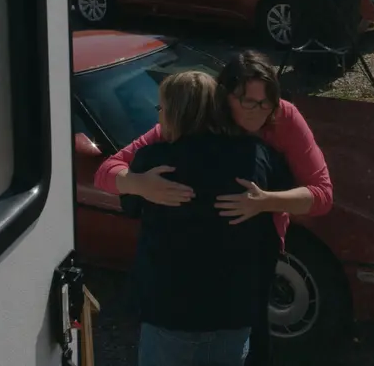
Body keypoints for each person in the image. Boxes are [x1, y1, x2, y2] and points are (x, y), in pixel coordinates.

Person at [94, 49, 334, 365]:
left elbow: (322, 195)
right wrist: (138, 184)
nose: (259, 111)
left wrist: (265, 202)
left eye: (266, 103)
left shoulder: (283, 118)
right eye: (248, 102)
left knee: (253, 340)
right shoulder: (197, 120)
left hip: (251, 257)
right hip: (205, 280)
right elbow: (107, 171)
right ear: (223, 97)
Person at [127, 70, 295, 366]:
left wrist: (135, 182)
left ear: (176, 112)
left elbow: (128, 206)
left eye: (162, 108)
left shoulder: (152, 161)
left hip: (169, 312)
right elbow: (287, 196)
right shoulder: (256, 155)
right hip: (234, 311)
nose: (159, 116)